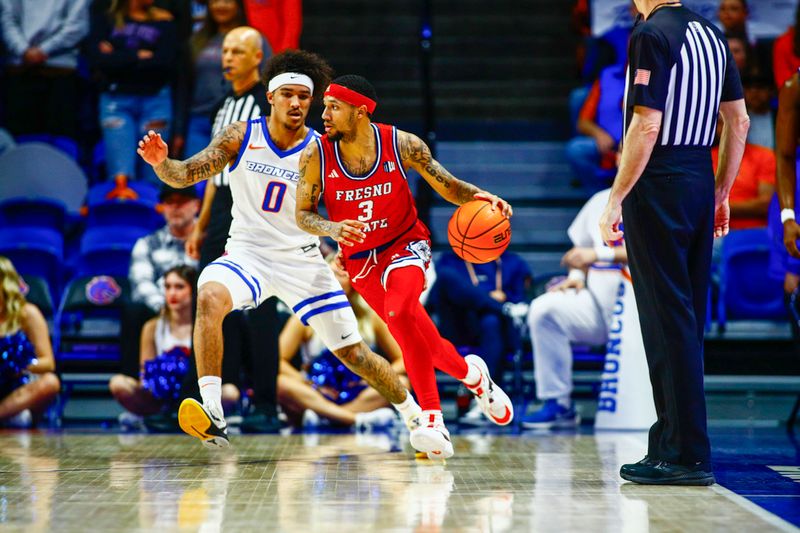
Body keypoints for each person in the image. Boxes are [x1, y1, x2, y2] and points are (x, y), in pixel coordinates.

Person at [137, 50, 424, 451]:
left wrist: (346, 244)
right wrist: (161, 163)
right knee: (209, 294)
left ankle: (415, 417)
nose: (296, 103)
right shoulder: (241, 135)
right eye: (287, 94)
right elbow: (188, 174)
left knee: (354, 353)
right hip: (248, 254)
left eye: (304, 97)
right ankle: (214, 412)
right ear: (270, 97)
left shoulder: (323, 148)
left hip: (303, 259)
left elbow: (347, 204)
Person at [295, 74, 516, 459]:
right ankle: (475, 378)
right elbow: (303, 215)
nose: (324, 113)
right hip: (359, 259)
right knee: (420, 338)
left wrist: (483, 196)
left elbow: (446, 185)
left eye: (334, 107)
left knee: (400, 311)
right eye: (325, 106)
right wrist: (332, 228)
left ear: (360, 112)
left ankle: (432, 419)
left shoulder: (402, 144)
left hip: (405, 245)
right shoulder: (316, 154)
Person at [598, 1, 748, 485]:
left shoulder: (650, 34)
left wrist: (615, 198)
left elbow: (646, 124)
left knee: (666, 319)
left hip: (658, 178)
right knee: (686, 317)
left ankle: (683, 453)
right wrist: (720, 192)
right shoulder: (712, 34)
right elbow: (738, 122)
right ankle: (674, 444)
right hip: (698, 179)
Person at [183, 26, 281, 434]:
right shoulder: (222, 104)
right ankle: (208, 403)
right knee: (207, 303)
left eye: (238, 51)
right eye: (225, 50)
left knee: (259, 312)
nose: (228, 58)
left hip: (258, 208)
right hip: (221, 207)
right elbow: (210, 170)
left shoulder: (267, 103)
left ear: (258, 57)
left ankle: (266, 404)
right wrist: (200, 224)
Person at [524, 189, 628, 429]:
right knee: (544, 310)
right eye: (622, 150)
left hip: (643, 312)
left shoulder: (658, 192)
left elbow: (658, 250)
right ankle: (557, 403)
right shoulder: (600, 199)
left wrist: (597, 254)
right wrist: (576, 275)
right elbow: (581, 248)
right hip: (599, 306)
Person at [278, 255, 405, 429]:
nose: (335, 280)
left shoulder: (371, 316)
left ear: (354, 279)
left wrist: (371, 377)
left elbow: (404, 359)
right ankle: (355, 420)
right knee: (281, 383)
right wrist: (309, 383)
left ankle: (326, 418)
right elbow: (278, 360)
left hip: (359, 388)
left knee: (402, 383)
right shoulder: (305, 314)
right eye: (330, 275)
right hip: (319, 391)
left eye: (341, 275)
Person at [110, 265, 240, 427]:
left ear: (194, 290)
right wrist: (165, 378)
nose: (172, 293)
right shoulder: (152, 327)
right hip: (160, 397)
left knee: (230, 393)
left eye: (179, 287)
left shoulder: (207, 328)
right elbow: (146, 373)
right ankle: (156, 416)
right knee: (118, 383)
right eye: (167, 287)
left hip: (197, 394)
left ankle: (206, 416)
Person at [430, 250, 531, 424]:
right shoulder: (449, 260)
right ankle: (501, 308)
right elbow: (436, 299)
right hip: (459, 325)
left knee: (491, 320)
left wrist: (503, 300)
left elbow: (521, 302)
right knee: (446, 277)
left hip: (498, 329)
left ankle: (486, 399)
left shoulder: (513, 262)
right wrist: (488, 298)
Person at [87, 0, 178, 186]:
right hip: (115, 102)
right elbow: (98, 61)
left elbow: (165, 63)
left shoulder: (165, 22)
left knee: (155, 173)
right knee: (121, 175)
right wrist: (138, 56)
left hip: (155, 100)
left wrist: (117, 56)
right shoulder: (106, 20)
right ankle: (124, 212)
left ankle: (153, 213)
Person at [0, 0, 90, 144]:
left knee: (62, 142)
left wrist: (44, 50)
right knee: (17, 141)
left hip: (61, 72)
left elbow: (78, 25)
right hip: (19, 70)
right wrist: (22, 50)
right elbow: (6, 20)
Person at [181, 0, 250, 159]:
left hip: (236, 118)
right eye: (215, 1)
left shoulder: (251, 39)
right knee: (195, 177)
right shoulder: (197, 41)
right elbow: (185, 84)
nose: (221, 6)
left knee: (227, 179)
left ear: (238, 6)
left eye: (227, 1)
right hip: (199, 119)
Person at [0, 256, 60, 427]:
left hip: (17, 387)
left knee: (50, 382)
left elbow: (48, 363)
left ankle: (7, 413)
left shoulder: (27, 313)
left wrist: (13, 365)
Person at [567, 63, 626, 191]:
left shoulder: (654, 79)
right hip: (608, 145)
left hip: (638, 143)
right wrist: (598, 134)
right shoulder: (607, 77)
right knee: (577, 150)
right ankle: (599, 195)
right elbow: (583, 121)